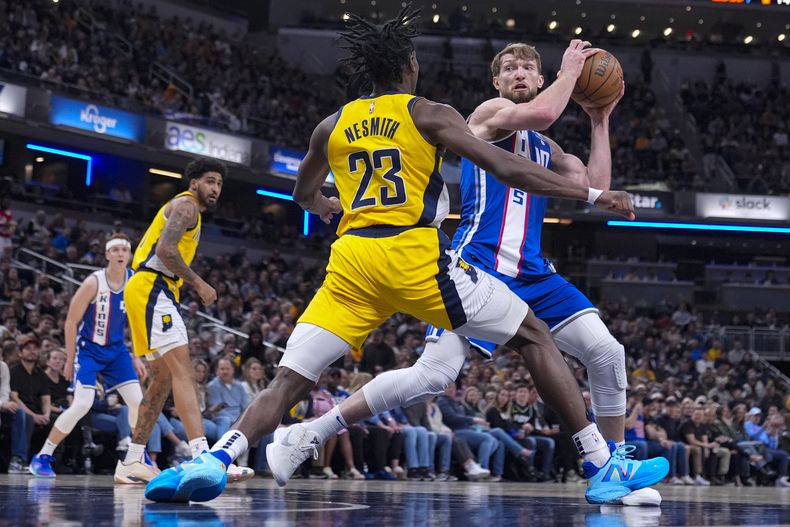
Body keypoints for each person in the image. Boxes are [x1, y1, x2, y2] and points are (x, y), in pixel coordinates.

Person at [146, 7, 657, 505]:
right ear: (409, 66)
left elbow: (302, 193)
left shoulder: (332, 124)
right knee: (529, 337)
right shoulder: (437, 113)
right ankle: (598, 461)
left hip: (352, 263)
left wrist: (325, 205)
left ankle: (214, 459)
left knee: (291, 377)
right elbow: (512, 167)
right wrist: (589, 188)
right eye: (511, 67)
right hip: (422, 259)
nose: (519, 72)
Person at [115, 158, 250, 484]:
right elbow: (165, 250)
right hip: (152, 288)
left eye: (219, 183)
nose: (215, 188)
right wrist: (199, 283)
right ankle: (204, 456)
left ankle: (132, 460)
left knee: (162, 379)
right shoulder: (187, 206)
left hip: (147, 290)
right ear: (194, 183)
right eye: (210, 181)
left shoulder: (190, 209)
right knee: (183, 372)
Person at [28, 234, 143, 478]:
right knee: (82, 404)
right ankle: (42, 456)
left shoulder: (134, 281)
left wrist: (137, 354)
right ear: (107, 255)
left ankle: (135, 458)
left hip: (117, 351)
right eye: (116, 250)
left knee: (138, 402)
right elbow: (71, 321)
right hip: (89, 350)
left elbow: (135, 319)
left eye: (126, 249)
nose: (122, 253)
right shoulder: (94, 282)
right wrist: (70, 359)